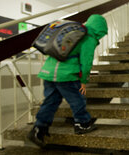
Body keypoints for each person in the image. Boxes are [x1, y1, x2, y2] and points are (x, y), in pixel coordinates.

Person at [27, 14, 108, 147]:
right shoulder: (89, 38)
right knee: (77, 99)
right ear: (100, 29)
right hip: (66, 74)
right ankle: (82, 124)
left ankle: (39, 129)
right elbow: (86, 62)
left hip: (48, 72)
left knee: (51, 101)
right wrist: (83, 81)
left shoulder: (74, 32)